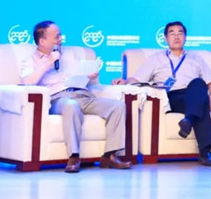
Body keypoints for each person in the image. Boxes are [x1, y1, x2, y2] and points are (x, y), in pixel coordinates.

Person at [20, 21, 132, 173]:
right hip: (58, 99)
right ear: (43, 41)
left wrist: (89, 76)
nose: (61, 39)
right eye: (56, 36)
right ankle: (74, 156)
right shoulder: (30, 60)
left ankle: (109, 156)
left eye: (60, 35)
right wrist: (48, 62)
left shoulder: (70, 54)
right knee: (71, 105)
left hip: (82, 94)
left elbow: (79, 75)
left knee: (118, 106)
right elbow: (27, 82)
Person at [113, 21, 211, 167]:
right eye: (172, 33)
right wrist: (125, 81)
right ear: (165, 38)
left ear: (185, 37)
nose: (176, 36)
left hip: (193, 94)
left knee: (199, 83)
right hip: (171, 98)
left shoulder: (196, 59)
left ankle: (188, 120)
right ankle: (205, 151)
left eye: (180, 33)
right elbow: (137, 79)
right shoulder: (155, 59)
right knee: (200, 105)